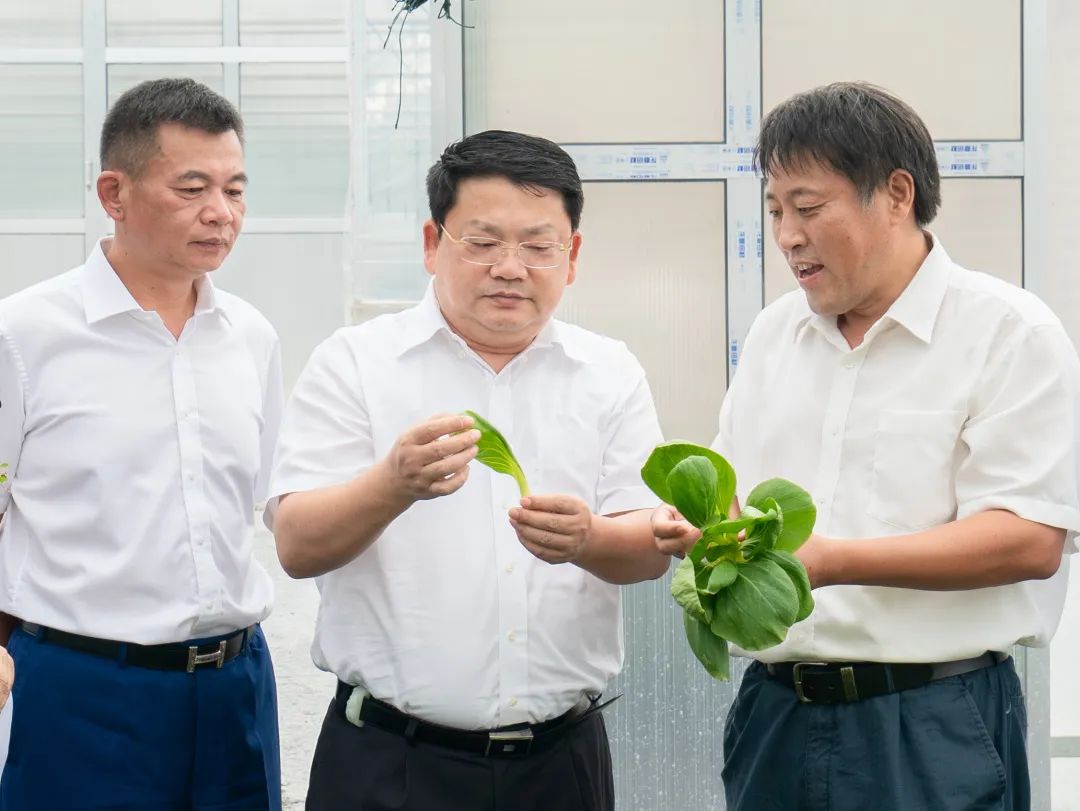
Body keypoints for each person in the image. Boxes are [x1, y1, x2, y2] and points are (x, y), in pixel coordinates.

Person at [653, 82, 1080, 811]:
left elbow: (1028, 538)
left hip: (933, 722)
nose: (787, 236)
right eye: (775, 211)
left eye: (808, 207)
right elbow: (732, 490)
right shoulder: (775, 334)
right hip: (775, 715)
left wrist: (833, 561)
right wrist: (700, 526)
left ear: (896, 194)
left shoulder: (1009, 331)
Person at [268, 129, 669, 810]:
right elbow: (297, 545)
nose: (510, 268)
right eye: (482, 242)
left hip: (559, 765)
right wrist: (392, 484)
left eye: (538, 246)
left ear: (571, 257)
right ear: (433, 243)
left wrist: (589, 539)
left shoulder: (608, 372)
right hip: (389, 762)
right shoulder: (356, 362)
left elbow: (648, 553)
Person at [0, 78, 283, 809]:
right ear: (114, 193)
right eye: (192, 188)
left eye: (235, 190)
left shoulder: (250, 337)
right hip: (82, 690)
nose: (220, 212)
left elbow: (264, 503)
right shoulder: (23, 336)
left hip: (236, 689)